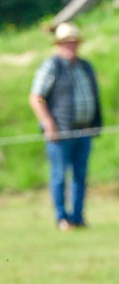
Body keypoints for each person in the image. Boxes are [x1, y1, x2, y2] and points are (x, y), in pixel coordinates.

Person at [29, 21, 102, 230]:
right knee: (60, 175)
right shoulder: (52, 66)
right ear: (59, 44)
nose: (71, 45)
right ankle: (62, 217)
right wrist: (48, 123)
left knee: (80, 176)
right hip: (60, 132)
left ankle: (78, 217)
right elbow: (36, 97)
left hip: (84, 129)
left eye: (74, 41)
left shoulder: (85, 66)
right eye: (67, 42)